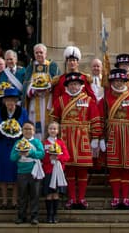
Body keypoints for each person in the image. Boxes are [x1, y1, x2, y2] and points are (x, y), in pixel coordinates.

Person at [50, 71, 99, 209]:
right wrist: (54, 137)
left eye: (76, 84)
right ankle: (72, 198)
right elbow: (54, 119)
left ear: (81, 86)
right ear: (67, 86)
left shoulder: (88, 100)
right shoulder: (60, 100)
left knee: (83, 170)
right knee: (70, 170)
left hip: (83, 138)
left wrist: (96, 137)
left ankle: (81, 198)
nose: (74, 87)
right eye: (71, 84)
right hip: (66, 138)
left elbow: (95, 119)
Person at [103, 66, 129, 209]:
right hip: (113, 134)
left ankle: (125, 197)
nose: (118, 83)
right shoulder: (106, 97)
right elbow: (102, 118)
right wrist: (100, 137)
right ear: (112, 82)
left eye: (121, 81)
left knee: (128, 167)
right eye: (116, 81)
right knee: (114, 167)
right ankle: (116, 197)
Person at [0, 83, 28, 208]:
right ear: (4, 101)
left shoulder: (22, 112)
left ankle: (14, 200)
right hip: (2, 146)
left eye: (12, 100)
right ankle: (4, 200)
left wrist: (18, 133)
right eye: (8, 100)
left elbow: (26, 127)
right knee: (3, 174)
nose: (10, 103)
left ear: (16, 101)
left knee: (15, 173)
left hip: (16, 146)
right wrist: (3, 132)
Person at [11, 120, 45, 226]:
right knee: (22, 196)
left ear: (34, 131)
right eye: (25, 129)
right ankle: (21, 216)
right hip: (22, 172)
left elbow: (42, 154)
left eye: (30, 129)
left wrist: (30, 153)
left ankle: (34, 217)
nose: (27, 131)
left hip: (34, 172)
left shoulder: (37, 142)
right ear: (22, 130)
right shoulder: (18, 142)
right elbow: (12, 157)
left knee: (35, 195)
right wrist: (19, 154)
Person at [41, 118, 68, 224]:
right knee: (48, 194)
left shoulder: (61, 143)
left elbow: (67, 157)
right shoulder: (44, 143)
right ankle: (49, 215)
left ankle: (55, 215)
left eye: (55, 129)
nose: (52, 130)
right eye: (51, 128)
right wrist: (49, 157)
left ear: (58, 131)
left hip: (58, 172)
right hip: (48, 171)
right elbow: (42, 157)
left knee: (56, 194)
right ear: (47, 130)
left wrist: (58, 157)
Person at [23, 43, 55, 134]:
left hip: (48, 101)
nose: (39, 54)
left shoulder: (52, 66)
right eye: (36, 53)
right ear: (34, 54)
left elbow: (56, 82)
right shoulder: (30, 68)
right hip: (34, 101)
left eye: (41, 52)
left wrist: (49, 87)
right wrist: (32, 91)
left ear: (46, 54)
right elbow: (26, 85)